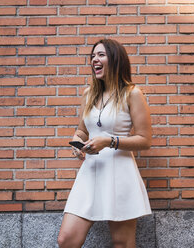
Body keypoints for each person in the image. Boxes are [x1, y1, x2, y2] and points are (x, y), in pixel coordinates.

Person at [57, 38, 152, 248]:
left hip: (120, 172)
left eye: (100, 55)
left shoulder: (132, 93)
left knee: (122, 243)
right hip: (90, 171)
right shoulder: (88, 94)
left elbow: (145, 140)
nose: (94, 60)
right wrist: (77, 142)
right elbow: (82, 130)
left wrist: (109, 141)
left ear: (115, 60)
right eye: (92, 56)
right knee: (66, 240)